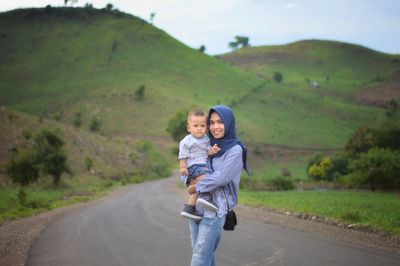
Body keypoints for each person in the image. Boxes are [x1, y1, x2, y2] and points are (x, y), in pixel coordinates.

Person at [186, 105, 249, 266]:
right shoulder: (205, 145)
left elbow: (221, 178)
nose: (215, 127)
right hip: (196, 210)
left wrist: (196, 186)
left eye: (220, 122)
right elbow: (188, 168)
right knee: (203, 255)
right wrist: (188, 180)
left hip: (215, 211)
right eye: (211, 122)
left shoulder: (235, 150)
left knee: (200, 257)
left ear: (228, 123)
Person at [179, 108, 221, 220]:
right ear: (189, 127)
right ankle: (208, 199)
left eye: (202, 126)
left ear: (206, 128)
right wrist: (183, 167)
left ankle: (189, 208)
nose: (199, 129)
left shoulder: (206, 139)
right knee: (209, 179)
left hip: (202, 166)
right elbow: (182, 155)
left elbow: (207, 151)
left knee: (195, 191)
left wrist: (213, 150)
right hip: (193, 167)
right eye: (195, 126)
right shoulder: (187, 140)